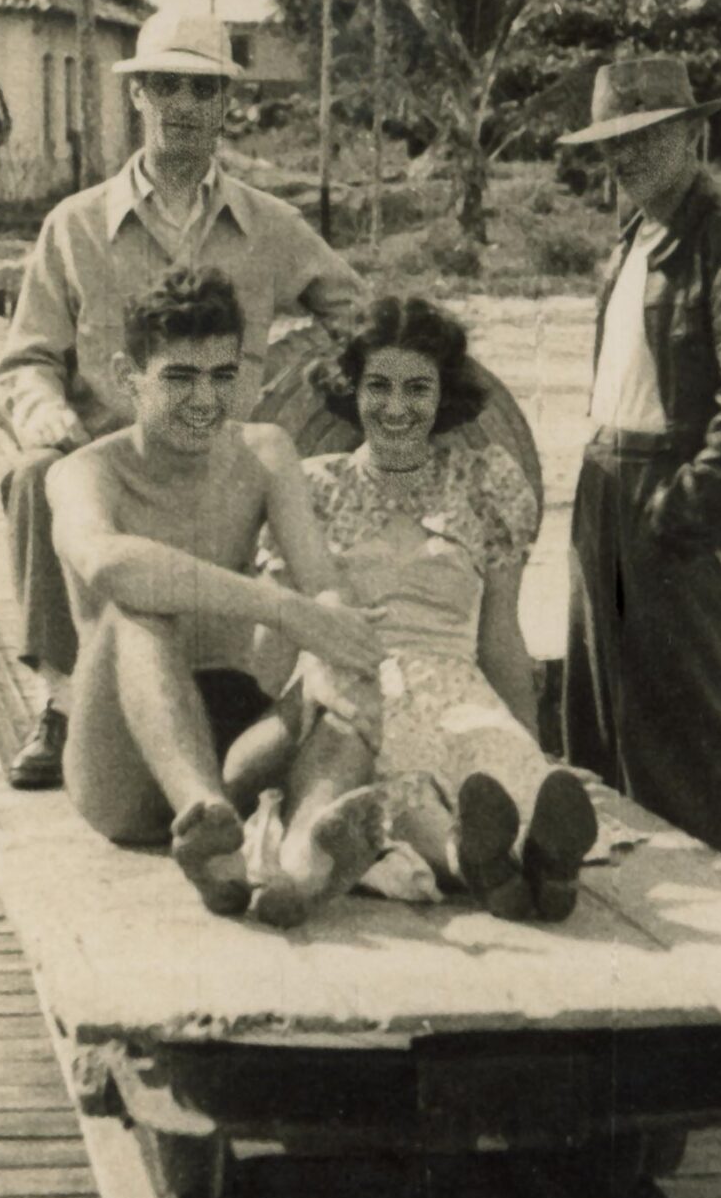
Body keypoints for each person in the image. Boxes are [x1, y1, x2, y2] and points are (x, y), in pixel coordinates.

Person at [0, 6, 363, 792]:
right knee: (31, 475)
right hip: (110, 459)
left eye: (203, 89)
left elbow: (361, 322)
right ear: (138, 98)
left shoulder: (272, 226)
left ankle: (269, 704)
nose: (184, 107)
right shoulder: (74, 226)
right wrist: (45, 410)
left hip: (218, 461)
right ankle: (60, 701)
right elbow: (28, 356)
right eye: (166, 87)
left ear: (227, 104)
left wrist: (311, 384)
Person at [45, 266, 386, 919]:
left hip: (236, 738)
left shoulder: (264, 451)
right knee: (140, 609)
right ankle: (209, 823)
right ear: (128, 375)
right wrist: (283, 609)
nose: (206, 400)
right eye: (179, 377)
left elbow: (323, 586)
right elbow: (112, 565)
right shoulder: (85, 472)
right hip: (121, 767)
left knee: (346, 663)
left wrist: (330, 646)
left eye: (222, 377)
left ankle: (303, 859)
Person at [248, 293, 598, 924]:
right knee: (403, 758)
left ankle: (543, 859)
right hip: (355, 683)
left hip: (458, 684)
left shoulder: (486, 482)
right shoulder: (314, 489)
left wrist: (533, 742)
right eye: (378, 386)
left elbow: (500, 639)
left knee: (497, 758)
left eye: (417, 388)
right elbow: (278, 635)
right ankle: (483, 864)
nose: (397, 408)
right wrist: (269, 714)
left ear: (443, 396)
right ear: (351, 390)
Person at [555, 51, 721, 874]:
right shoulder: (633, 241)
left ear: (693, 135)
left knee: (695, 731)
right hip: (606, 492)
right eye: (612, 144)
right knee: (601, 721)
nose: (625, 157)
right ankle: (641, 915)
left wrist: (683, 511)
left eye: (646, 137)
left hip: (675, 505)